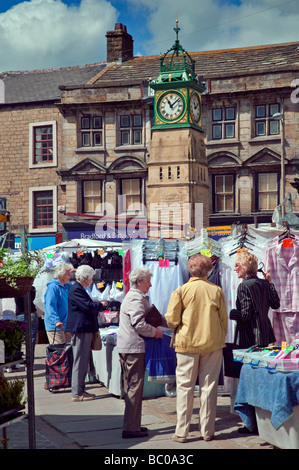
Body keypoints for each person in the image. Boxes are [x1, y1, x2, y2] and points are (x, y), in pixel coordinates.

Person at [165, 254, 227, 443]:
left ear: (190, 270)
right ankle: (207, 431)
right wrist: (218, 336)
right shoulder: (216, 290)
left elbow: (171, 320)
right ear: (209, 270)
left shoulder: (181, 291)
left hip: (187, 344)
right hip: (212, 343)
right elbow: (223, 321)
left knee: (185, 387)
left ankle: (182, 431)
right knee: (209, 387)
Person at [117, 267, 163, 439]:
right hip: (132, 348)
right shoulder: (135, 298)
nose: (151, 284)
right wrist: (155, 332)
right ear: (139, 282)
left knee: (133, 387)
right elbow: (140, 325)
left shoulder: (136, 297)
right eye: (148, 281)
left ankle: (133, 424)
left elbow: (149, 318)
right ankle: (130, 428)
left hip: (130, 347)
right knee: (134, 388)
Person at [66, 264, 106, 402]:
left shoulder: (78, 289)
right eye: (91, 277)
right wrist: (101, 305)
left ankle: (80, 390)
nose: (92, 280)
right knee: (80, 361)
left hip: (83, 328)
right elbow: (87, 306)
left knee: (83, 361)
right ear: (86, 278)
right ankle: (77, 393)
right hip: (81, 329)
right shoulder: (76, 289)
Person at [231, 251, 280, 349]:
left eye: (237, 265)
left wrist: (233, 313)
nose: (235, 268)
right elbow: (276, 305)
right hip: (264, 334)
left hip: (250, 335)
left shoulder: (244, 285)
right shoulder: (265, 283)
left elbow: (245, 316)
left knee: (248, 363)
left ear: (245, 267)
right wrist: (270, 284)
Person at [44, 262, 74, 344]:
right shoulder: (53, 287)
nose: (70, 276)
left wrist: (79, 273)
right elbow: (50, 305)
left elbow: (80, 288)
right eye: (68, 274)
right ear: (61, 274)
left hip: (66, 325)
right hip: (55, 325)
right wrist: (56, 321)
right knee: (59, 352)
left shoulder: (67, 286)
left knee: (68, 351)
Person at [15, 286, 39, 358]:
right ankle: (29, 361)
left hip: (20, 313)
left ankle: (16, 360)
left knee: (18, 339)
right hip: (31, 312)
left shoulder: (16, 289)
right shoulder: (32, 288)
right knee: (31, 339)